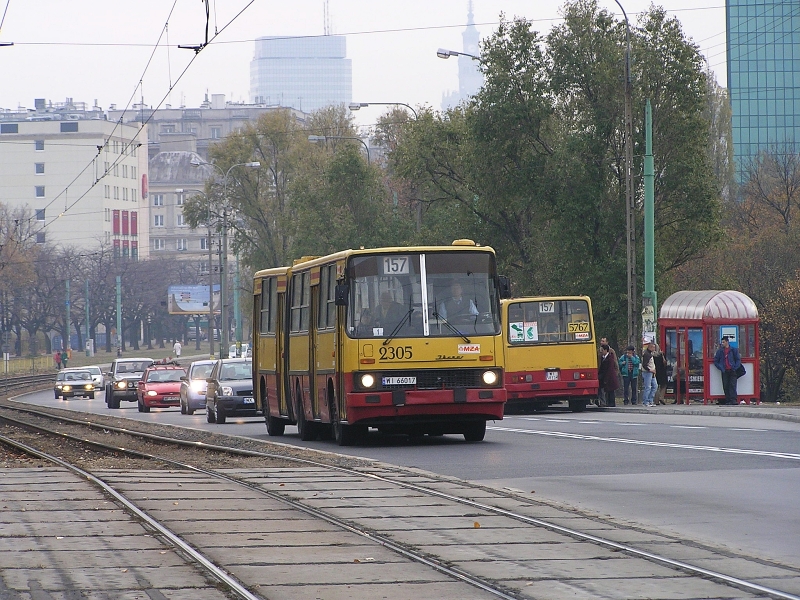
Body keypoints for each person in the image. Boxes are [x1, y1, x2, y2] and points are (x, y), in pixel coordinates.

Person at [713, 336, 741, 405]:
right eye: (722, 342)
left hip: (732, 370)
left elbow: (738, 359)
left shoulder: (733, 350)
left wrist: (735, 367)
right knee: (726, 385)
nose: (722, 344)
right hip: (724, 370)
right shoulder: (720, 351)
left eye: (723, 342)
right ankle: (728, 400)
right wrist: (721, 368)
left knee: (732, 385)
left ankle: (733, 400)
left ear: (727, 342)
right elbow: (716, 361)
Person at [641, 340, 657, 406]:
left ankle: (650, 400)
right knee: (648, 387)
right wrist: (650, 370)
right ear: (650, 347)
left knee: (655, 386)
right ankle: (645, 401)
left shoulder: (650, 354)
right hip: (647, 373)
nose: (654, 349)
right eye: (653, 347)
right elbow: (644, 365)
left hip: (652, 373)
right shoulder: (647, 355)